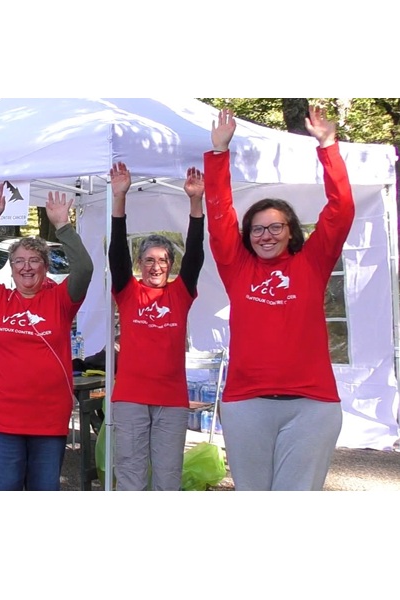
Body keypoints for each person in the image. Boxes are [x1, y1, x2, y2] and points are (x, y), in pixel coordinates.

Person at [203, 106, 354, 491]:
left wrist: (329, 146)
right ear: (248, 234)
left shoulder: (312, 264)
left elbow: (340, 212)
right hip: (246, 403)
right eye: (257, 228)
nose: (266, 235)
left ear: (290, 231)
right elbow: (220, 216)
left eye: (275, 227)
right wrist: (219, 154)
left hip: (312, 405)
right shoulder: (237, 267)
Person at [0, 182, 94, 491]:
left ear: (45, 267)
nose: (26, 267)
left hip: (48, 418)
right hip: (3, 418)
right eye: (19, 261)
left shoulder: (60, 300)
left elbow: (84, 270)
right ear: (10, 268)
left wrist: (63, 226)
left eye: (35, 260)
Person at [108, 162, 205, 491]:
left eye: (163, 260)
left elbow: (195, 256)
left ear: (170, 266)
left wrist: (195, 204)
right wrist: (119, 198)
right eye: (148, 259)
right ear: (139, 264)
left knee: (167, 480)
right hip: (131, 399)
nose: (156, 265)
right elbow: (116, 255)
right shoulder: (128, 291)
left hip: (172, 401)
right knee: (131, 479)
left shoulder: (181, 293)